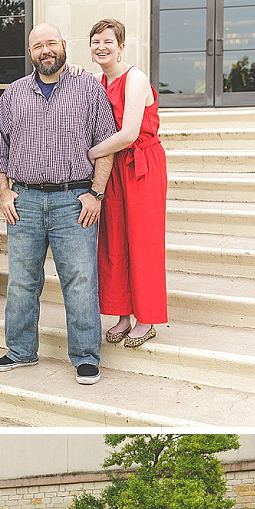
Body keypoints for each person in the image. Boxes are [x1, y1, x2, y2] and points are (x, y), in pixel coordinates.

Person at [0, 23, 118, 386]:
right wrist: (4, 193)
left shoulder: (88, 88)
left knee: (79, 281)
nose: (45, 50)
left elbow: (106, 144)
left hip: (73, 201)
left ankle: (86, 357)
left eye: (51, 44)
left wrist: (96, 193)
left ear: (63, 45)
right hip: (25, 200)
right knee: (21, 282)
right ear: (30, 54)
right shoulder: (13, 94)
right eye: (37, 46)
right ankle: (20, 351)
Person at [87, 18, 167, 348]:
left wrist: (90, 152)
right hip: (113, 167)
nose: (101, 47)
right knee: (113, 240)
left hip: (141, 164)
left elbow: (129, 133)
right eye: (96, 42)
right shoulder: (96, 81)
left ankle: (146, 318)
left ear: (121, 46)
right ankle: (122, 314)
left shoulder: (135, 78)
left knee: (142, 240)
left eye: (108, 41)